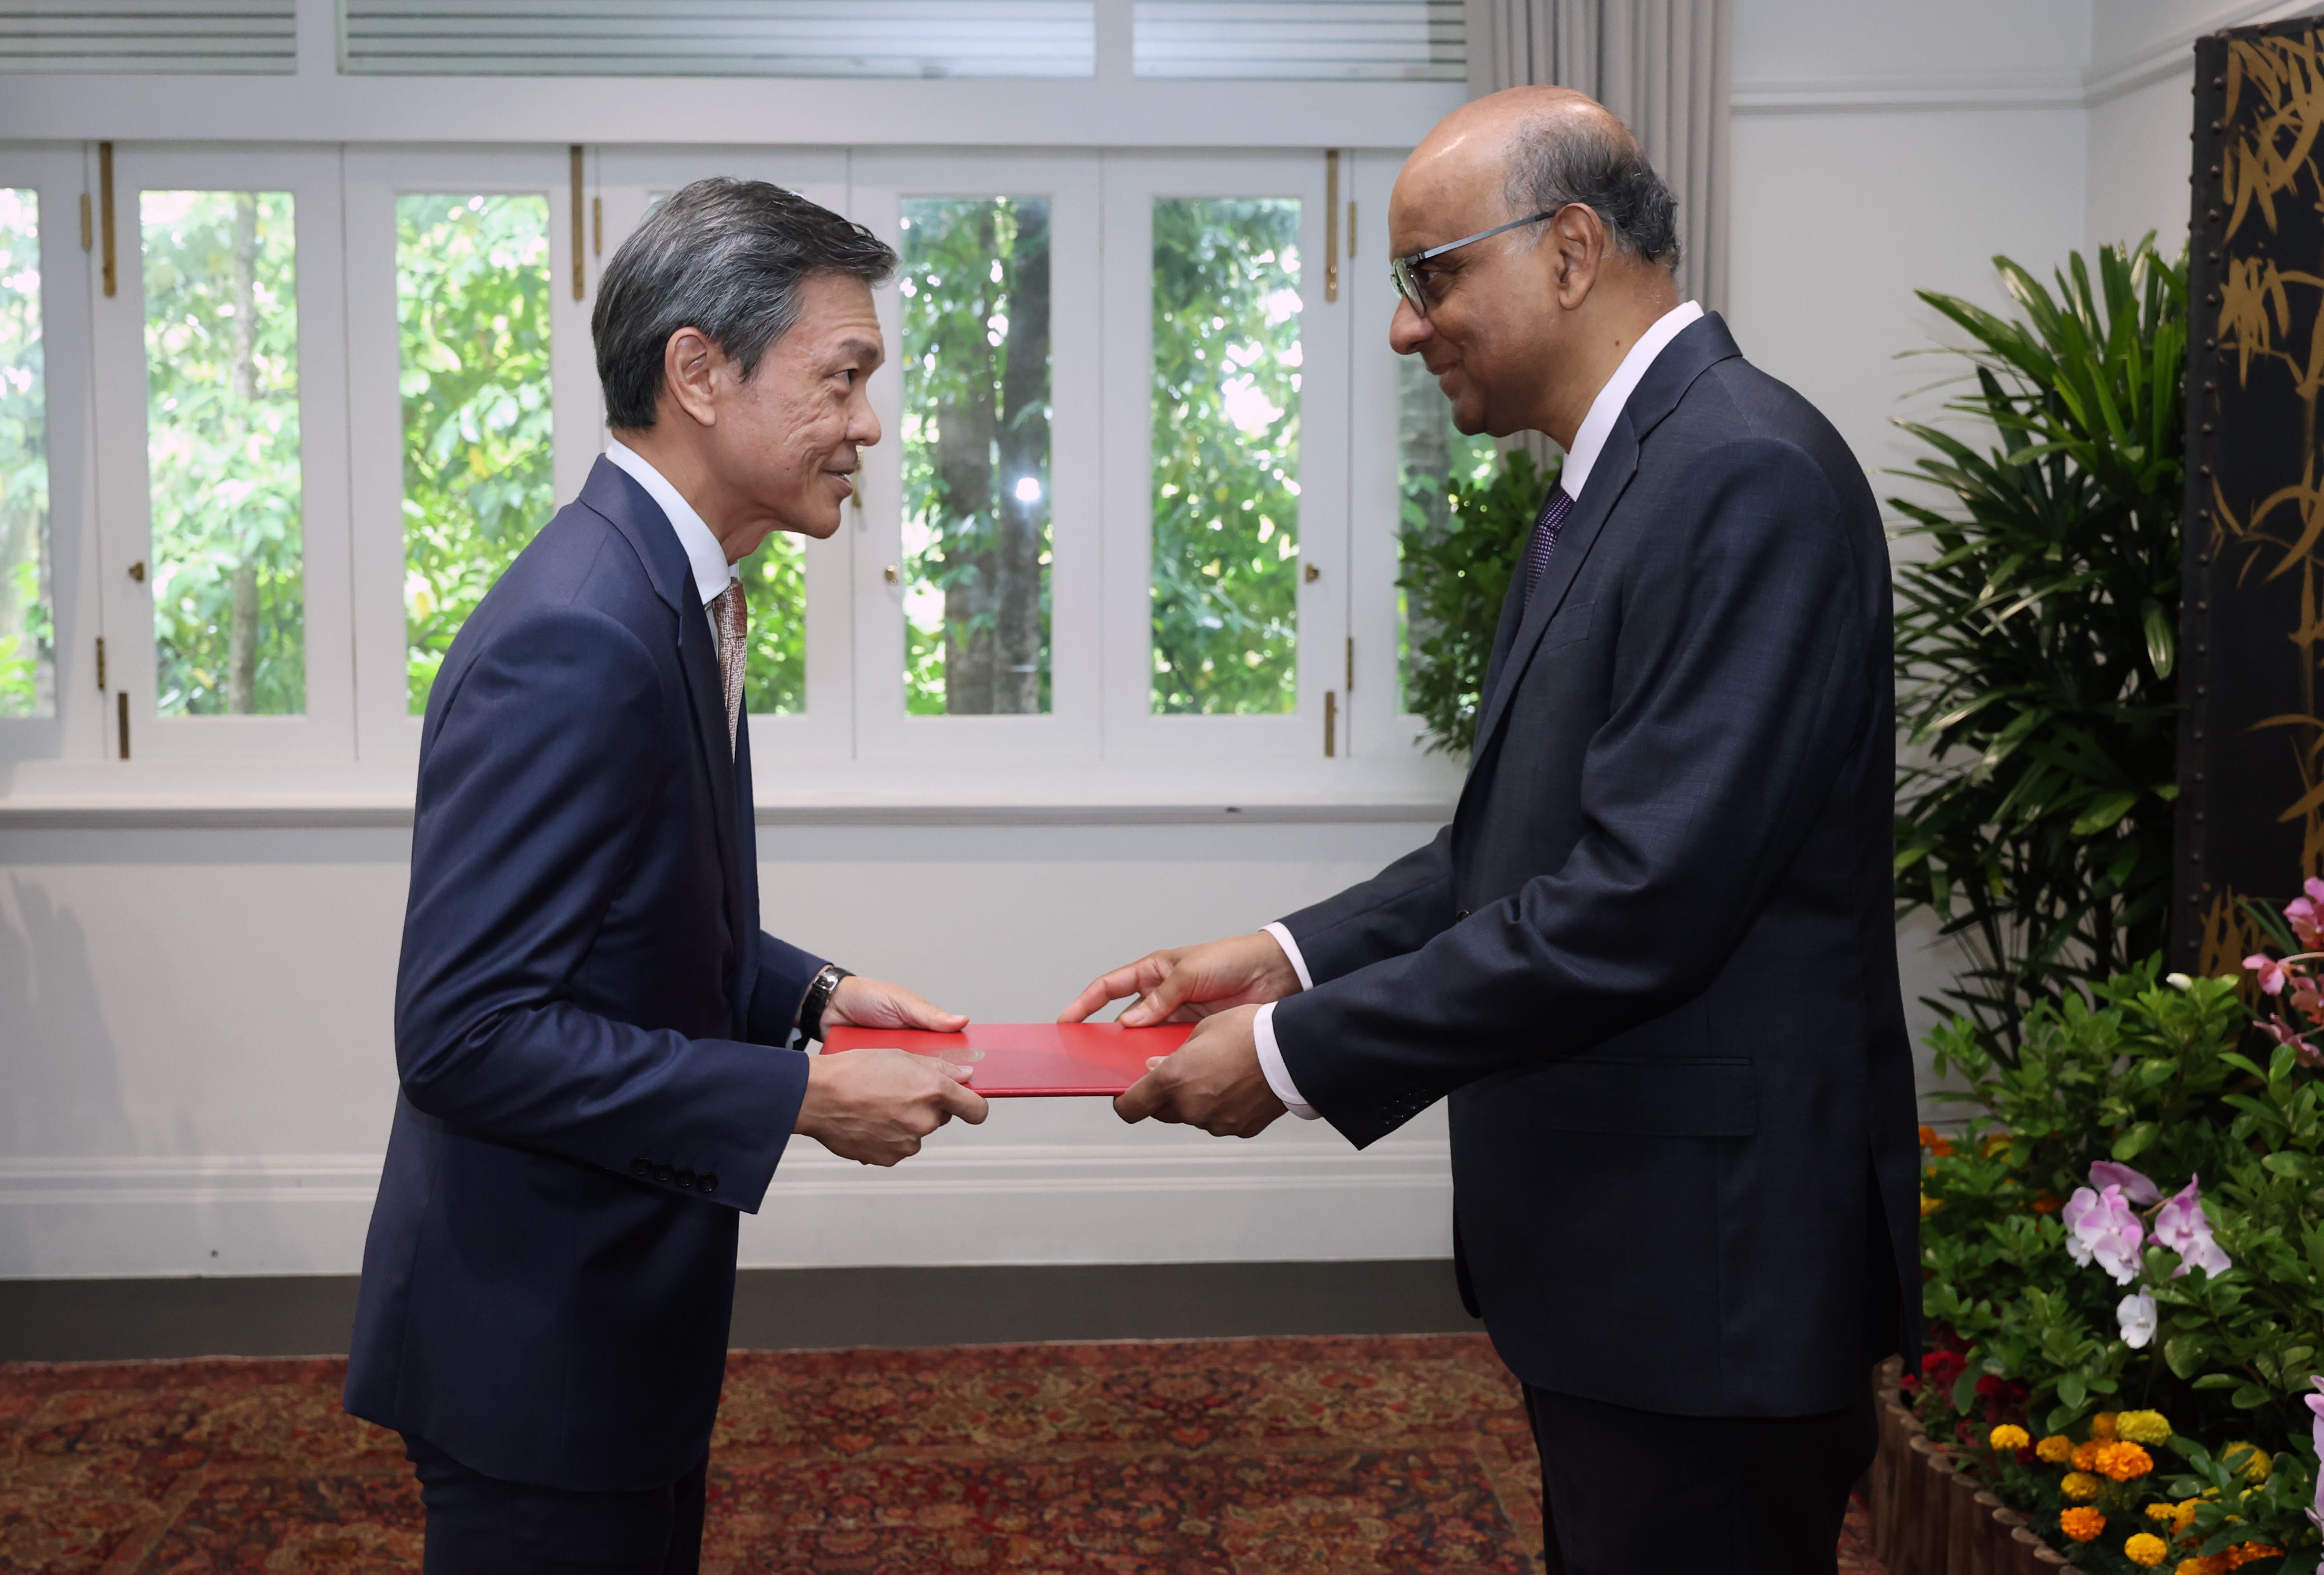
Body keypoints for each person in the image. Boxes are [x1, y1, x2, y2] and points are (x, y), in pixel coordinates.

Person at [1066, 89, 1919, 1575]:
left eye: (1432, 274)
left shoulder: (1742, 474)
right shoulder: (1622, 477)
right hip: (1632, 1259)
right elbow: (1511, 852)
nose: (1409, 328)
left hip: (1708, 1278)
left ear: (1572, 249)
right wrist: (1278, 959)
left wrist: (1287, 1061)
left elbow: (1637, 902)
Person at [345, 178, 988, 1575]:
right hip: (536, 1342)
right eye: (844, 377)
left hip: (602, 1315)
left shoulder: (666, 588)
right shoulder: (583, 631)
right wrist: (804, 1096)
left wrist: (813, 996)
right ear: (698, 370)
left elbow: (633, 923)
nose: (869, 424)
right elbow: (466, 1034)